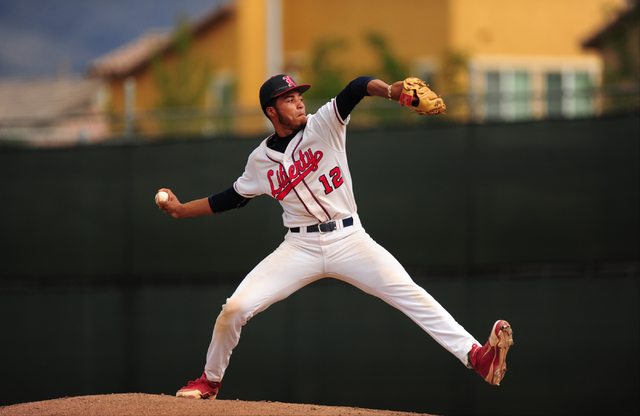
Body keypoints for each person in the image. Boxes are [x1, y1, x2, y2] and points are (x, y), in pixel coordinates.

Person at [156, 74, 514, 400]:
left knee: (410, 294)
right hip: (299, 246)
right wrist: (181, 209)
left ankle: (477, 357)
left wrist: (391, 92)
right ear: (271, 110)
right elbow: (232, 198)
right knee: (234, 308)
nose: (298, 102)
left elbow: (356, 87)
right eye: (288, 98)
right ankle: (209, 381)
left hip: (350, 239)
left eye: (299, 95)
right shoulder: (259, 160)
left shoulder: (324, 123)